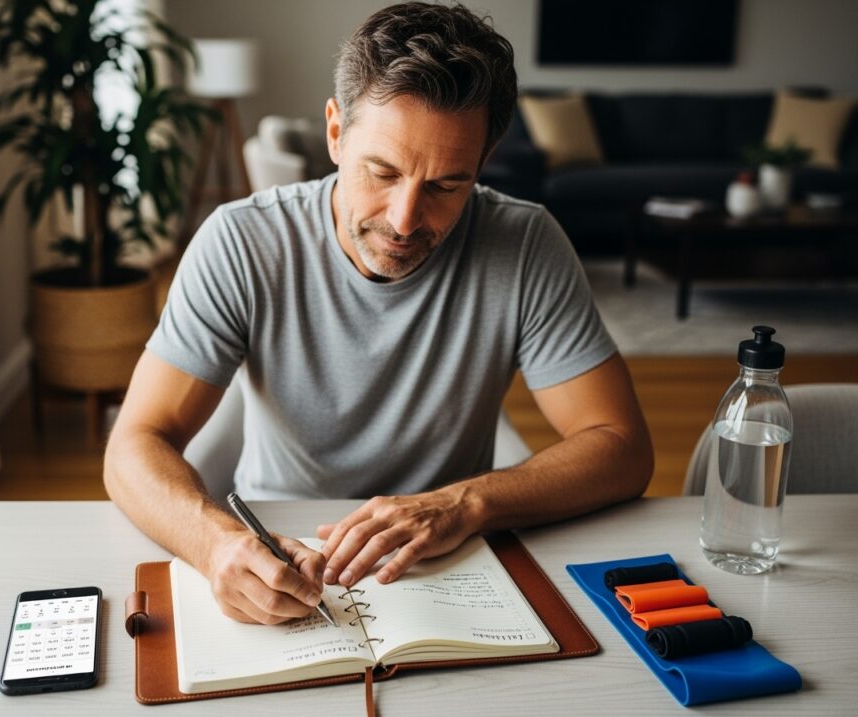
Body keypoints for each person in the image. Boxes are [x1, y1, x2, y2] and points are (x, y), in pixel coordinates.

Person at [104, 2, 653, 626]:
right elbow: (132, 446)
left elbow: (622, 447)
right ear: (335, 133)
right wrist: (215, 543)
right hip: (277, 546)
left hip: (450, 558)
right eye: (382, 171)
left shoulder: (525, 243)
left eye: (447, 185)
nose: (404, 219)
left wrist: (463, 503)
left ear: (485, 160)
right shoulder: (241, 242)